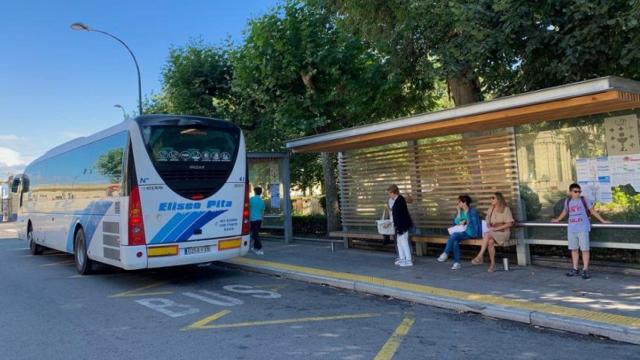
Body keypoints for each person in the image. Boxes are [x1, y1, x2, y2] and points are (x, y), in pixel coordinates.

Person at [552, 183, 611, 279]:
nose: (578, 193)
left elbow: (592, 211)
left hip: (583, 228)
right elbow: (565, 212)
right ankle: (575, 269)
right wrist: (557, 220)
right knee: (574, 249)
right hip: (572, 229)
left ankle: (585, 270)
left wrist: (603, 220)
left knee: (585, 249)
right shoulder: (568, 201)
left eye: (579, 191)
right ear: (570, 192)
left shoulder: (584, 200)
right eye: (575, 191)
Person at [471, 192, 514, 272]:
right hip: (493, 232)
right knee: (490, 242)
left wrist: (495, 229)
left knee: (487, 235)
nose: (491, 199)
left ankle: (479, 256)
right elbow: (487, 219)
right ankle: (492, 264)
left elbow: (509, 223)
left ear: (498, 199)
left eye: (493, 198)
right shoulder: (491, 208)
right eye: (491, 198)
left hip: (503, 232)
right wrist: (489, 225)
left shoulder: (505, 209)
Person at [437, 194, 482, 270]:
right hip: (462, 232)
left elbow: (474, 222)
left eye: (459, 202)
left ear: (464, 203)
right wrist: (458, 212)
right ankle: (456, 263)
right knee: (455, 241)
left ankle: (446, 253)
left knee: (454, 236)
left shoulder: (472, 211)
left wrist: (466, 221)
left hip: (471, 232)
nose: (458, 204)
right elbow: (456, 223)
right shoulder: (460, 212)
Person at [384, 185, 414, 267]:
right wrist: (390, 222)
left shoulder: (400, 200)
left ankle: (408, 260)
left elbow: (399, 215)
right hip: (399, 225)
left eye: (389, 193)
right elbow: (395, 215)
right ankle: (402, 258)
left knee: (404, 242)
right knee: (399, 243)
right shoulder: (397, 200)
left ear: (393, 193)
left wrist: (390, 222)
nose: (389, 195)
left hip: (403, 225)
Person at [249, 186, 266, 255]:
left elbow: (248, 208)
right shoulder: (262, 201)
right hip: (259, 220)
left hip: (252, 219)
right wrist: (262, 221)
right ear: (261, 193)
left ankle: (259, 248)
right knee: (255, 234)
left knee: (255, 234)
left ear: (254, 192)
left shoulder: (251, 199)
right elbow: (262, 212)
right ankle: (254, 247)